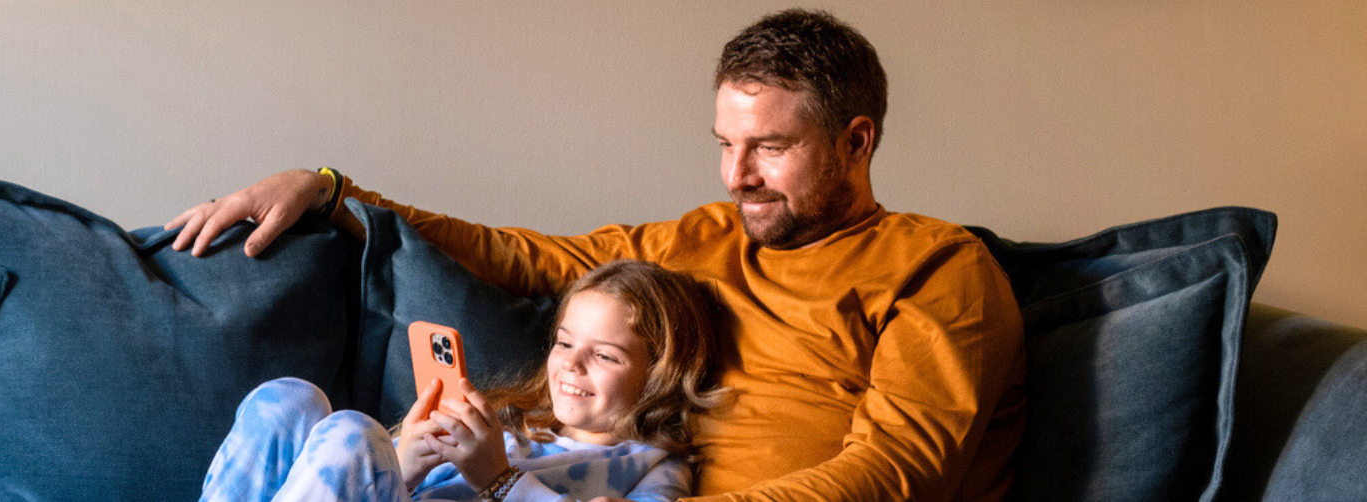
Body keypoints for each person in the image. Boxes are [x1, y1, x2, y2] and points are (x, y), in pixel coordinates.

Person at [169, 9, 1025, 502]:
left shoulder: (938, 268)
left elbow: (896, 473)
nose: (738, 176)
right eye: (725, 143)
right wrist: (333, 189)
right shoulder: (701, 238)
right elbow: (524, 257)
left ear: (857, 140)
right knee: (311, 411)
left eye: (770, 148)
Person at [199, 260, 725, 502]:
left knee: (354, 433)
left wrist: (499, 480)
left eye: (605, 355)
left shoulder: (652, 466)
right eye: (564, 344)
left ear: (660, 373)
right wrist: (404, 462)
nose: (571, 364)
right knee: (291, 398)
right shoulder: (509, 422)